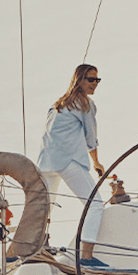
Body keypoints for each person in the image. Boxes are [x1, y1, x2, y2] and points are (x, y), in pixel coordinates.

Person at [37, 64, 106, 260]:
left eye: (97, 80)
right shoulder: (85, 104)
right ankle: (86, 256)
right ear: (80, 80)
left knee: (44, 207)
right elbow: (90, 138)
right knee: (95, 204)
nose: (95, 84)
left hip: (45, 162)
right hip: (67, 160)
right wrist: (97, 163)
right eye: (91, 79)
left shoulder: (59, 104)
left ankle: (36, 248)